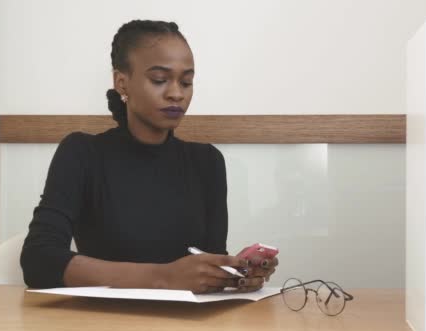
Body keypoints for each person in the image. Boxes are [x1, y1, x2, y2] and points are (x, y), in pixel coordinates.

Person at [20, 20, 278, 294]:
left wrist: (234, 273)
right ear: (122, 82)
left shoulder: (207, 162)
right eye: (159, 79)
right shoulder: (82, 153)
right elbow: (39, 261)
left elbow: (207, 262)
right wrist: (162, 277)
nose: (176, 93)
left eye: (186, 81)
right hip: (101, 324)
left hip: (188, 328)